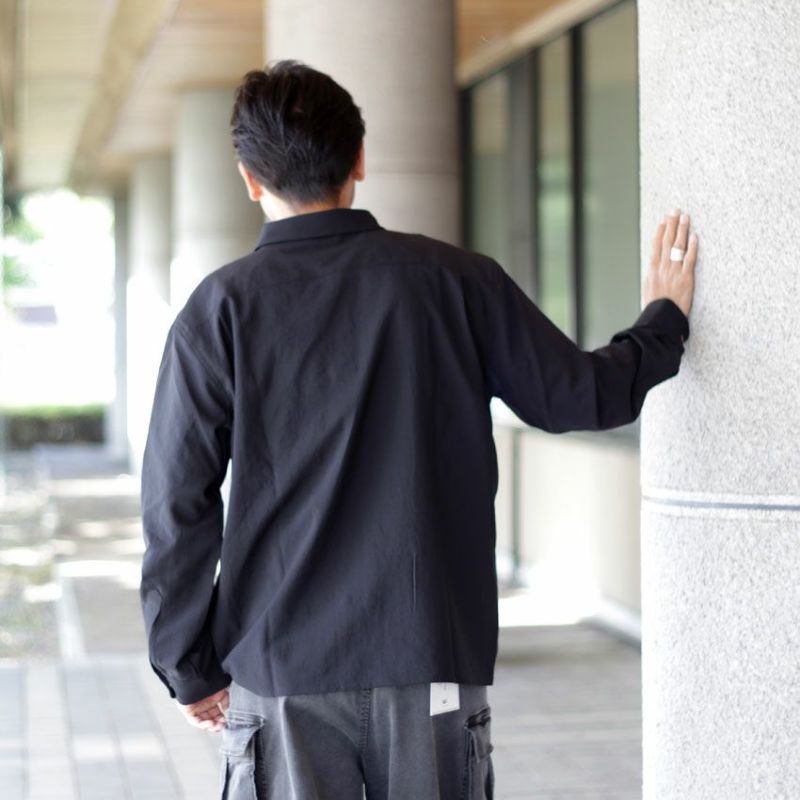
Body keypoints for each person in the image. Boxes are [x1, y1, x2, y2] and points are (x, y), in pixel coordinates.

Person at [139, 59, 698, 800]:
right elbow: (580, 397)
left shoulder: (220, 310)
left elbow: (177, 502)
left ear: (248, 178)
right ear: (359, 160)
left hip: (282, 671)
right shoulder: (457, 281)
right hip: (429, 655)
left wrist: (187, 664)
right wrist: (663, 322)